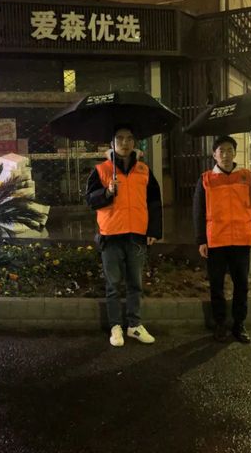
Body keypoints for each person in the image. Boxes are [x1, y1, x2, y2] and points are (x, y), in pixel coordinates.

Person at [86, 125, 163, 347]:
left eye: (129, 138)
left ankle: (134, 325)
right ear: (112, 143)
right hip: (111, 235)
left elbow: (154, 202)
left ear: (134, 143)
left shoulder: (144, 170)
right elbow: (90, 200)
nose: (125, 143)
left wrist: (153, 231)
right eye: (119, 138)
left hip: (136, 235)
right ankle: (115, 326)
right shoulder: (101, 170)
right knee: (113, 285)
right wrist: (107, 192)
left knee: (135, 284)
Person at [193, 135, 251, 344]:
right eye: (221, 151)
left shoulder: (247, 176)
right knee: (216, 285)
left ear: (235, 153)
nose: (225, 155)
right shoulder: (206, 179)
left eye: (229, 150)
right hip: (216, 240)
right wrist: (201, 240)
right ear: (214, 154)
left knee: (241, 284)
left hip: (241, 239)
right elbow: (198, 211)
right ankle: (219, 323)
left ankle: (239, 324)